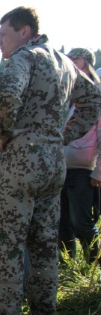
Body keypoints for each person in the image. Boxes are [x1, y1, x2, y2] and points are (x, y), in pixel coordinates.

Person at [0, 6, 101, 315]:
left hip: (22, 160)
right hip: (54, 163)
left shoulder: (26, 57)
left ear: (24, 32)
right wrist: (62, 136)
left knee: (5, 243)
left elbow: (8, 91)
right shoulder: (65, 62)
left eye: (3, 34)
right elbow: (94, 99)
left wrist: (4, 133)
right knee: (44, 243)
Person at [58, 48, 101, 263]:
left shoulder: (96, 98)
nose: (72, 67)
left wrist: (99, 171)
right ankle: (68, 265)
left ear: (88, 66)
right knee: (62, 222)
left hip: (84, 171)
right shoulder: (66, 99)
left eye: (77, 62)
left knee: (82, 222)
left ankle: (93, 265)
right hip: (61, 168)